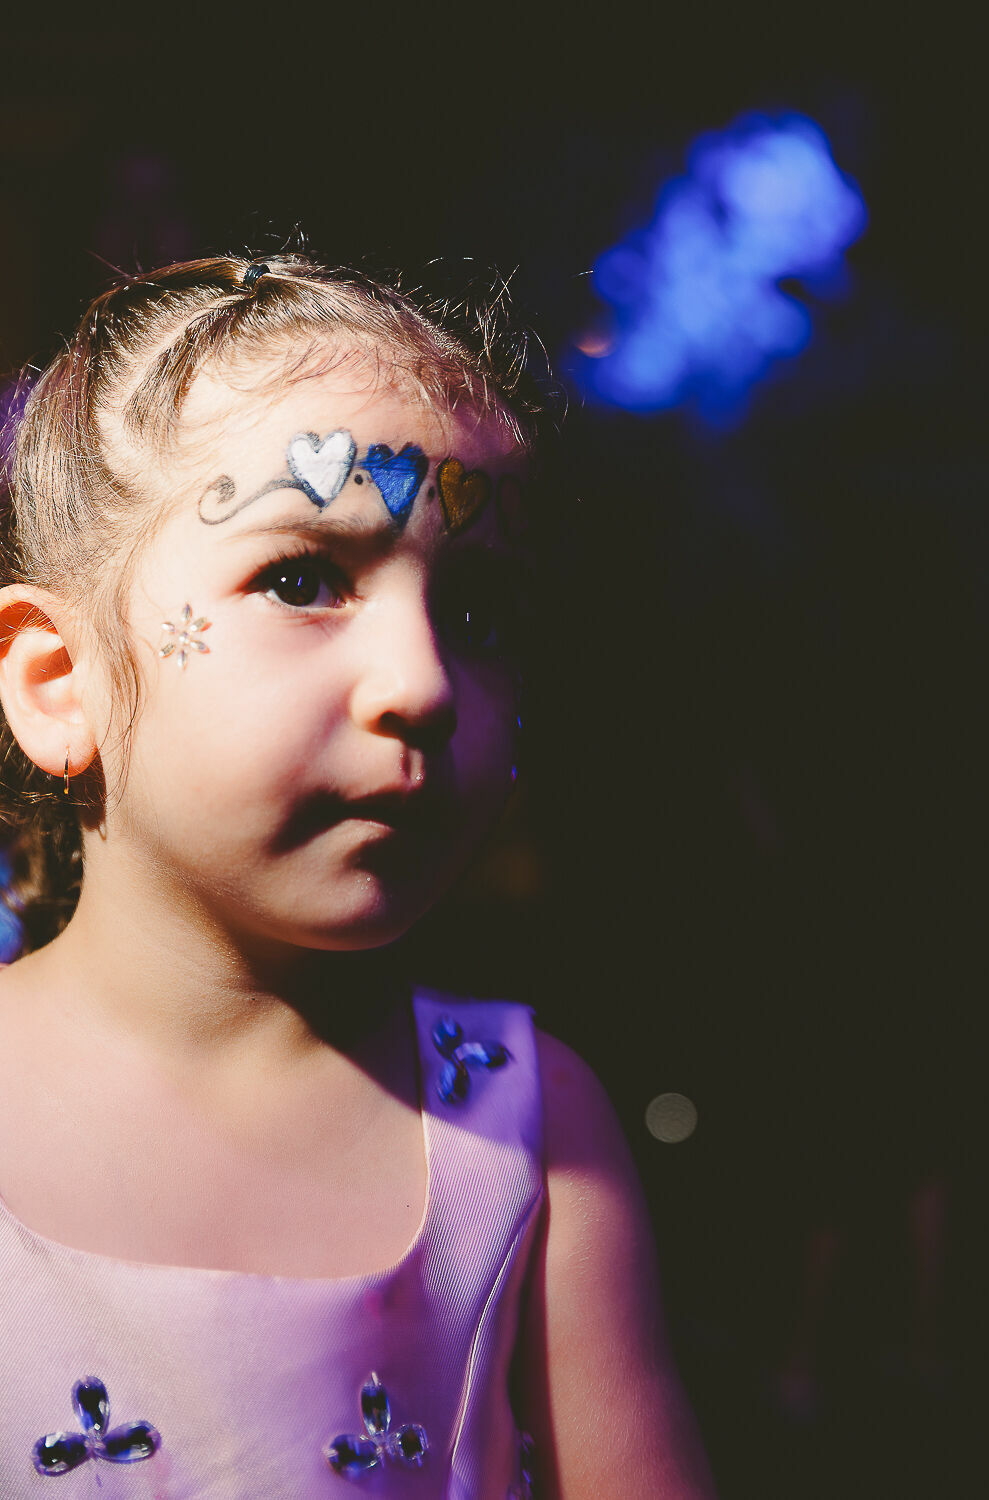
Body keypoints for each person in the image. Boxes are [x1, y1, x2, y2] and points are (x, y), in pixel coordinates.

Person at [0, 254, 716, 1497]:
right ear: (60, 686)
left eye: (481, 609)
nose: (425, 683)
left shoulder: (532, 1128)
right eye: (301, 579)